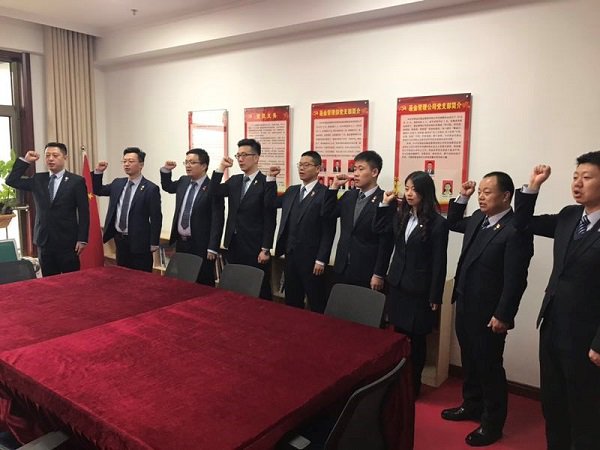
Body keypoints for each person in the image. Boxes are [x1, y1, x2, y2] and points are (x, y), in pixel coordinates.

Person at [514, 154, 600, 450]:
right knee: (553, 402)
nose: (578, 183)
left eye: (587, 177)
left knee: (585, 408)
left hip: (587, 338)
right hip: (552, 325)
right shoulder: (569, 216)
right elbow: (522, 223)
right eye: (575, 177)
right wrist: (533, 187)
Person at [441, 172, 533, 447]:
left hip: (490, 312)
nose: (481, 196)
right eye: (479, 191)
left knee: (489, 367)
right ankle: (471, 405)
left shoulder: (515, 229)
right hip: (465, 302)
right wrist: (463, 197)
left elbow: (516, 279)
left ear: (506, 196)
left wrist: (504, 314)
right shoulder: (478, 219)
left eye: (487, 192)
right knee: (470, 361)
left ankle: (492, 424)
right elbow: (452, 223)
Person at [375, 171, 448, 396]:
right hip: (397, 284)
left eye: (414, 190)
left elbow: (439, 261)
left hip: (419, 290)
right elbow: (381, 231)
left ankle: (413, 386)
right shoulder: (401, 215)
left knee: (417, 339)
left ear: (425, 192)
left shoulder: (437, 223)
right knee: (398, 335)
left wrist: (435, 295)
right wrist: (384, 205)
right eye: (406, 189)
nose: (409, 194)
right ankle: (398, 381)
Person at [6, 142, 89, 276]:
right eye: (47, 155)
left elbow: (84, 212)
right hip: (44, 241)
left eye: (55, 155)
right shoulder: (38, 179)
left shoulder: (76, 181)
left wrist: (82, 239)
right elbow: (11, 181)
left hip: (68, 242)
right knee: (49, 282)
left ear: (65, 157)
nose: (50, 159)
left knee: (71, 281)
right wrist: (25, 161)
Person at [210, 138, 277, 299]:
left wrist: (266, 248)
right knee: (236, 285)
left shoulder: (266, 182)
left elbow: (270, 217)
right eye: (238, 155)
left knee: (258, 287)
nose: (240, 159)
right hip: (233, 242)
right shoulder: (235, 180)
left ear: (256, 157)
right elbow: (214, 191)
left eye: (245, 155)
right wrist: (221, 168)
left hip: (255, 245)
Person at [273, 151, 335, 313]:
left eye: (306, 165)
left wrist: (321, 259)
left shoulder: (325, 194)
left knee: (316, 302)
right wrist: (271, 180)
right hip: (290, 255)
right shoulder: (292, 191)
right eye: (300, 165)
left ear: (318, 169)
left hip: (312, 259)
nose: (301, 168)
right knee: (292, 300)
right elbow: (270, 203)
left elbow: (329, 230)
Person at [326, 151, 393, 290]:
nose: (355, 174)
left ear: (374, 172)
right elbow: (328, 214)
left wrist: (379, 273)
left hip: (366, 270)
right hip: (342, 267)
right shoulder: (349, 196)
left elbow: (386, 241)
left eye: (361, 169)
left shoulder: (385, 200)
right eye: (354, 169)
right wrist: (334, 188)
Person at [160, 148, 224, 286]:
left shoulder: (212, 187)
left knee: (203, 281)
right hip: (181, 243)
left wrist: (213, 247)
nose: (188, 166)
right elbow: (168, 187)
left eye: (193, 162)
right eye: (186, 162)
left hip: (201, 244)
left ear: (204, 166)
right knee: (183, 280)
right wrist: (166, 170)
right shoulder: (184, 181)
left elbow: (217, 220)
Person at [93, 147, 162, 272]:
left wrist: (154, 242)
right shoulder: (118, 183)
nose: (126, 164)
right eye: (124, 161)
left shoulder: (150, 188)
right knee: (122, 275)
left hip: (140, 242)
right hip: (120, 240)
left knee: (141, 277)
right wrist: (98, 172)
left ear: (141, 164)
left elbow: (156, 217)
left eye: (131, 161)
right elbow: (98, 190)